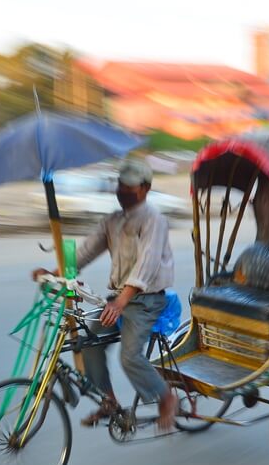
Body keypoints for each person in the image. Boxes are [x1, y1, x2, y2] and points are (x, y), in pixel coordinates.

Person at [32, 158, 178, 431]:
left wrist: (121, 302)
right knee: (89, 342)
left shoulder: (154, 220)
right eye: (120, 185)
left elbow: (147, 264)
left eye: (129, 187)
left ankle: (166, 396)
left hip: (146, 301)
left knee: (129, 357)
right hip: (120, 299)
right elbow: (86, 251)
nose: (122, 191)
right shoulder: (113, 220)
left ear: (145, 188)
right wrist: (54, 273)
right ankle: (108, 400)